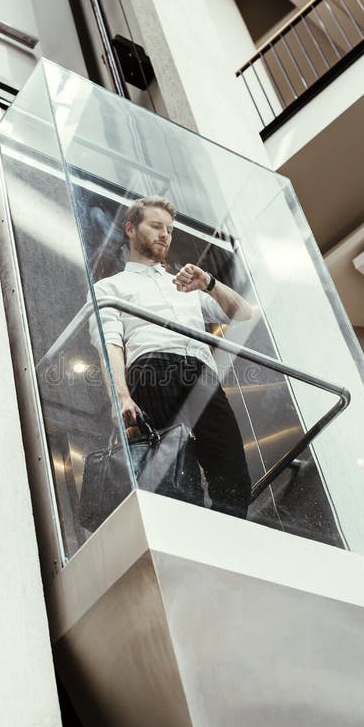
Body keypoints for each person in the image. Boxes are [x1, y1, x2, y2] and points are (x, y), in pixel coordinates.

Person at [91, 195, 253, 519]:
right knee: (176, 477)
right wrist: (120, 397)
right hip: (151, 369)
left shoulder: (186, 284)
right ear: (131, 230)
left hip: (202, 375)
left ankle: (220, 545)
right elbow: (110, 345)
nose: (165, 234)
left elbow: (244, 313)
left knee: (233, 474)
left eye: (169, 229)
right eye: (156, 226)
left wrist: (208, 283)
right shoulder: (110, 286)